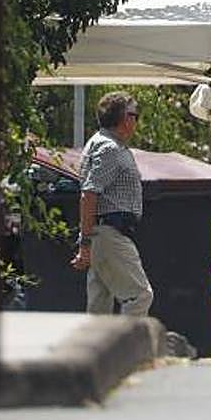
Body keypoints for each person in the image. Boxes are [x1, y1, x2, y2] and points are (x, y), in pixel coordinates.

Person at [70, 91, 153, 316]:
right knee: (140, 296)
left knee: (100, 306)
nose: (136, 120)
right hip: (109, 234)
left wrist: (87, 242)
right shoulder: (109, 148)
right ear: (124, 118)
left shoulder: (101, 143)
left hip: (103, 234)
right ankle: (127, 350)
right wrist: (85, 244)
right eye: (135, 114)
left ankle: (97, 350)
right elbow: (89, 194)